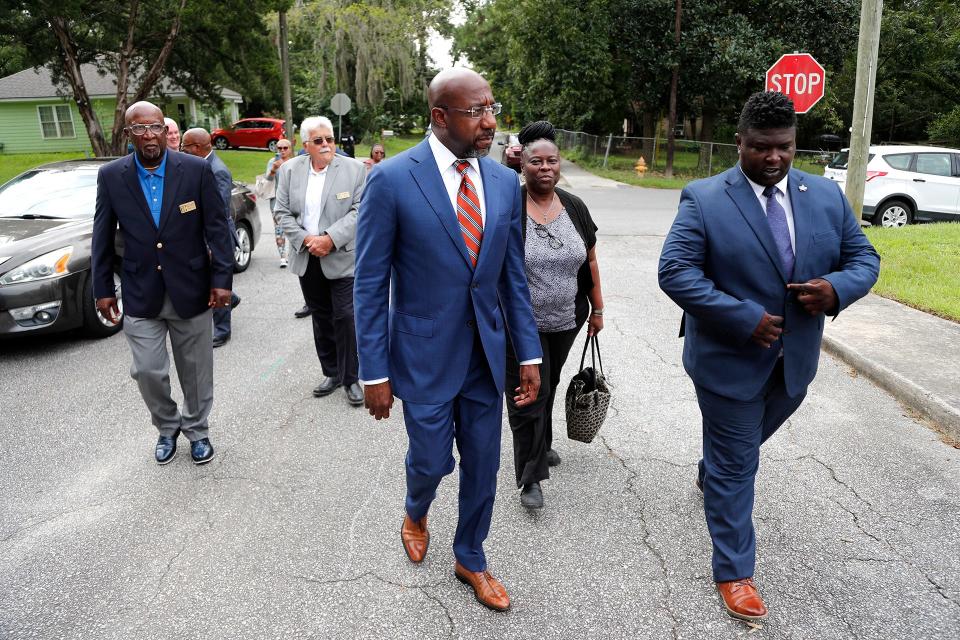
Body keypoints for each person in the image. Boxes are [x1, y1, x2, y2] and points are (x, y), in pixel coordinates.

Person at [658, 91, 880, 623]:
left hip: (795, 364)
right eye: (761, 148)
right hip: (728, 359)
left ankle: (710, 468)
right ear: (740, 142)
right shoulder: (704, 198)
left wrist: (836, 288)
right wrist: (740, 316)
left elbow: (864, 257)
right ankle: (734, 573)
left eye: (783, 147)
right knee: (739, 464)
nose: (774, 158)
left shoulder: (824, 196)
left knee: (735, 451)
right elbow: (675, 272)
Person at [354, 68, 543, 612]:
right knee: (431, 459)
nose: (490, 122)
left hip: (485, 357)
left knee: (485, 463)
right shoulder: (392, 179)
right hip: (422, 354)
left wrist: (527, 353)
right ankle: (417, 509)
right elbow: (369, 284)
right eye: (475, 111)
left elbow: (511, 276)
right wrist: (375, 371)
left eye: (491, 107)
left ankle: (471, 556)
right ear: (439, 117)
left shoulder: (505, 183)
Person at [91, 101, 234, 466]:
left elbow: (217, 229)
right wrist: (103, 288)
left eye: (155, 127)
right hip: (141, 292)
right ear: (129, 135)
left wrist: (222, 280)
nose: (149, 135)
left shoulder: (195, 170)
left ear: (165, 130)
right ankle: (167, 426)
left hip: (192, 288)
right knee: (147, 370)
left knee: (196, 369)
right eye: (139, 129)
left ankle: (198, 430)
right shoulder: (111, 176)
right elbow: (102, 237)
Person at [506, 120, 605, 510]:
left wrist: (597, 308)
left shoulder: (575, 207)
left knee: (550, 381)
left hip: (567, 318)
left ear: (559, 164)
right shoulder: (509, 206)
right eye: (536, 162)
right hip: (520, 323)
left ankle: (541, 444)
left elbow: (591, 259)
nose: (544, 168)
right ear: (523, 165)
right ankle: (530, 477)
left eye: (551, 161)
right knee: (529, 394)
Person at [275, 116, 366, 406]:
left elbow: (360, 209)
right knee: (321, 317)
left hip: (342, 256)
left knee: (346, 317)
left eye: (329, 139)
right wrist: (306, 240)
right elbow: (282, 212)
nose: (326, 145)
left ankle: (351, 378)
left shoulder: (353, 169)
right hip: (307, 257)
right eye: (319, 141)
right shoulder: (290, 170)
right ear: (306, 145)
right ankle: (332, 372)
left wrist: (329, 238)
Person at [181, 127, 242, 348]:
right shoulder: (196, 167)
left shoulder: (218, 171)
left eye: (184, 146)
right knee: (207, 279)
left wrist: (208, 243)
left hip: (216, 236)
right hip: (200, 233)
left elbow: (218, 210)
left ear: (196, 147)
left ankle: (222, 330)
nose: (181, 150)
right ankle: (231, 299)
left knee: (219, 279)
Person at [264, 138, 295, 268]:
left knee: (296, 229)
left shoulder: (296, 162)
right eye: (279, 148)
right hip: (277, 201)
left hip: (294, 201)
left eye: (285, 148)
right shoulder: (273, 161)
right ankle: (283, 257)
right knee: (279, 230)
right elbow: (268, 179)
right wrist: (273, 169)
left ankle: (295, 256)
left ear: (290, 149)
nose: (282, 151)